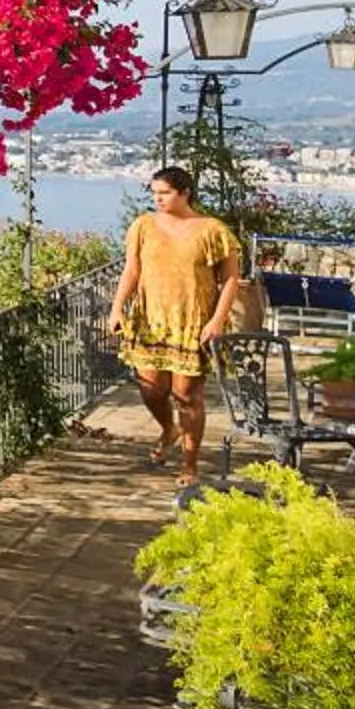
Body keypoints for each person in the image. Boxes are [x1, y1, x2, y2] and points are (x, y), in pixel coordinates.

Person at [106, 165, 245, 480]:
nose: (158, 199)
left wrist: (218, 320)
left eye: (165, 193)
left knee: (186, 395)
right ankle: (169, 429)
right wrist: (117, 309)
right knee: (152, 390)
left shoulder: (212, 230)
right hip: (150, 320)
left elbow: (231, 280)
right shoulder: (143, 226)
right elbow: (132, 270)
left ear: (185, 193)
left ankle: (189, 464)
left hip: (191, 322)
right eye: (154, 193)